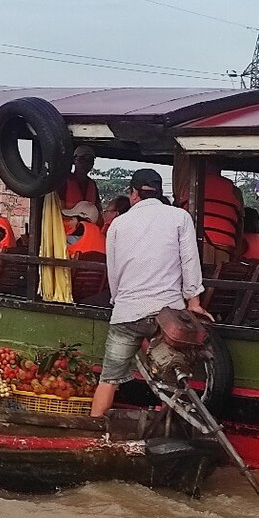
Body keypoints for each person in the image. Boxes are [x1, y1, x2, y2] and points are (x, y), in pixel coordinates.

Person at [90, 169, 211, 417]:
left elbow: (114, 271)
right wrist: (194, 301)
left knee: (109, 379)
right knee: (171, 378)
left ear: (134, 194)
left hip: (127, 313)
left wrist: (119, 300)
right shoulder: (180, 217)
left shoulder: (118, 224)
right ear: (158, 191)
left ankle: (93, 429)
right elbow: (190, 261)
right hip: (167, 316)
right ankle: (167, 430)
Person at [176, 162, 244, 266]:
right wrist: (237, 251)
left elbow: (179, 215)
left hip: (196, 243)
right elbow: (240, 224)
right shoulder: (234, 190)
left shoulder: (189, 186)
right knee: (220, 275)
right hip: (225, 244)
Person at [57, 145, 102, 213]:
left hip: (89, 220)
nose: (86, 163)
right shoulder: (64, 181)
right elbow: (58, 209)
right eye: (83, 159)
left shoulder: (92, 184)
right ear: (74, 160)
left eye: (90, 160)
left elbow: (99, 209)